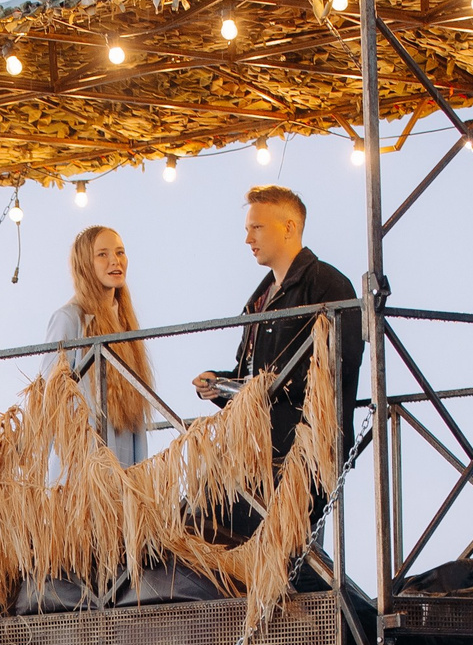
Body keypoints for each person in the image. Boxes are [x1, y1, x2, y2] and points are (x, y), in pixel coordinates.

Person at [193, 185, 365, 538]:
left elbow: (338, 365)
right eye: (247, 229)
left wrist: (260, 388)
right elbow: (253, 374)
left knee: (273, 545)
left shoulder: (328, 286)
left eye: (256, 228)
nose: (248, 239)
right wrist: (221, 385)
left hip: (302, 447)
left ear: (288, 227)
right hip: (258, 449)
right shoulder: (260, 298)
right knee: (201, 521)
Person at [47, 226, 155, 467]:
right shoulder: (69, 318)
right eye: (102, 254)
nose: (115, 261)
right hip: (84, 462)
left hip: (124, 450)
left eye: (120, 252)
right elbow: (49, 395)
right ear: (85, 264)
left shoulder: (125, 321)